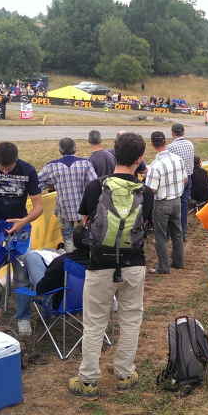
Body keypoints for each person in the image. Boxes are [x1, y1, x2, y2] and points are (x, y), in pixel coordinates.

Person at [70, 132, 151, 396]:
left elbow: (83, 225)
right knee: (130, 320)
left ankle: (88, 379)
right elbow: (146, 227)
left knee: (94, 323)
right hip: (134, 264)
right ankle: (125, 373)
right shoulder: (146, 193)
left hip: (100, 264)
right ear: (140, 159)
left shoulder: (96, 187)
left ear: (115, 153)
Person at [14, 227, 91, 335]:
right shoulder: (99, 262)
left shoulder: (62, 262)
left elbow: (42, 288)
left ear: (73, 242)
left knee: (31, 257)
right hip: (90, 303)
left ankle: (28, 319)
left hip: (61, 305)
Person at [144, 131, 186, 275]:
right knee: (177, 233)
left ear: (152, 144)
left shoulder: (155, 166)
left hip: (162, 203)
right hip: (177, 200)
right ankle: (178, 262)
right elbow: (185, 179)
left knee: (160, 236)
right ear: (165, 142)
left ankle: (163, 266)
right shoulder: (178, 159)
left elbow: (151, 190)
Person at [167, 123, 194, 240]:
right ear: (183, 132)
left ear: (173, 133)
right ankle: (182, 232)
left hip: (176, 180)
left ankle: (171, 233)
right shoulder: (190, 144)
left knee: (171, 207)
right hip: (188, 178)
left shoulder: (170, 147)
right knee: (183, 207)